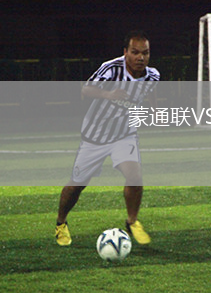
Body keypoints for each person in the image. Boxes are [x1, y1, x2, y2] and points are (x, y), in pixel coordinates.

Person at [55, 30, 159, 246]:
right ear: (125, 52)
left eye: (145, 53)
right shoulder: (111, 69)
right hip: (95, 136)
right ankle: (61, 222)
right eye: (135, 52)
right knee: (77, 184)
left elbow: (149, 91)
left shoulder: (153, 75)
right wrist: (108, 94)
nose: (141, 57)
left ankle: (132, 221)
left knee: (134, 175)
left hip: (125, 134)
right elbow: (86, 89)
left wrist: (153, 109)